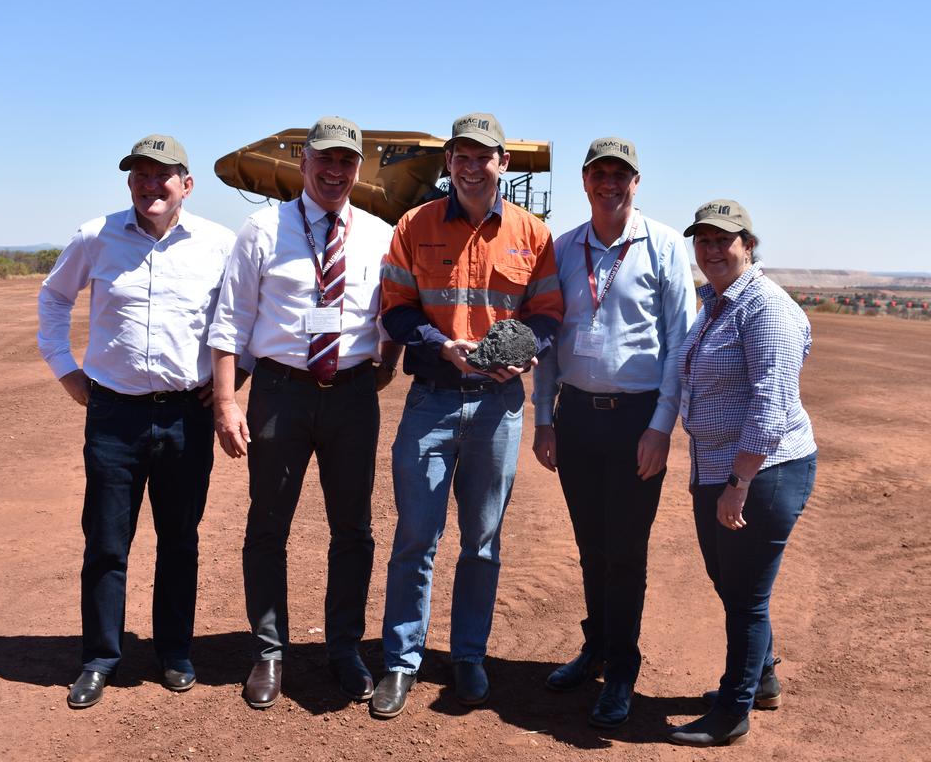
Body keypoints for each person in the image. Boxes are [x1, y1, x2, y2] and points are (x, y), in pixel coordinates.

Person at [371, 112, 563, 719]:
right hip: (431, 399)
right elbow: (395, 310)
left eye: (484, 156)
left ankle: (469, 656)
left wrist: (523, 351)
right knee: (415, 538)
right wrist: (437, 343)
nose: (472, 166)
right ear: (449, 162)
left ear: (502, 163)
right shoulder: (414, 225)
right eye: (462, 155)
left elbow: (549, 314)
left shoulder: (533, 234)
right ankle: (401, 661)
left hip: (499, 407)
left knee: (481, 541)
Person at [37, 134, 238, 709]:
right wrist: (67, 371)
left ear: (187, 185)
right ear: (130, 182)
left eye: (163, 176)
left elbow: (240, 320)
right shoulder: (95, 237)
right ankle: (100, 657)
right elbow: (53, 301)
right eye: (140, 176)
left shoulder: (218, 244)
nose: (151, 186)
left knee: (180, 539)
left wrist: (231, 384)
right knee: (106, 542)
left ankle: (175, 651)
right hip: (114, 415)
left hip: (186, 415)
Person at [208, 116, 401, 709]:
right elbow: (230, 319)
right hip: (280, 392)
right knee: (268, 524)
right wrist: (224, 399)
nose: (336, 171)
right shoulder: (262, 229)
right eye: (326, 159)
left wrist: (384, 364)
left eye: (347, 161)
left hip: (350, 395)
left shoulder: (377, 233)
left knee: (353, 529)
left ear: (358, 168)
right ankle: (270, 650)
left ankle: (344, 647)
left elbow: (393, 307)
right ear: (304, 163)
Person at [531, 137, 696, 728]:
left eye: (620, 174)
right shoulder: (563, 248)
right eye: (599, 173)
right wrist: (544, 417)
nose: (609, 183)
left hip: (636, 421)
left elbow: (681, 343)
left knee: (625, 552)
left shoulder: (666, 246)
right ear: (584, 181)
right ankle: (596, 647)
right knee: (591, 546)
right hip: (576, 416)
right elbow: (547, 337)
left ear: (636, 181)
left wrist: (660, 427)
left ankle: (623, 667)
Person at [668, 200, 817, 746]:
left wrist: (739, 484)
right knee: (730, 584)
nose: (711, 250)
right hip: (718, 469)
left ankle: (732, 711)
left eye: (723, 240)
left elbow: (771, 408)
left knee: (746, 597)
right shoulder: (717, 302)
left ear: (748, 245)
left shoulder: (765, 309)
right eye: (702, 241)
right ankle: (764, 681)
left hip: (763, 473)